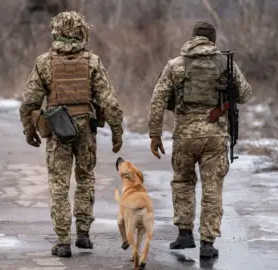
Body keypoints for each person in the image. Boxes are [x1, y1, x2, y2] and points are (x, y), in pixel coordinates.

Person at [18, 11, 124, 258]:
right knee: (86, 179)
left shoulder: (44, 62)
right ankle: (84, 234)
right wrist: (117, 133)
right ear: (82, 31)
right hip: (86, 130)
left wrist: (29, 131)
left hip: (58, 131)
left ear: (56, 31)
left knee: (59, 186)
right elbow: (110, 103)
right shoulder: (93, 62)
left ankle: (63, 241)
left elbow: (29, 103)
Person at [147, 20, 253, 259]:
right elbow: (246, 94)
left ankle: (184, 234)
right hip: (215, 136)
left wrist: (155, 134)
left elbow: (157, 101)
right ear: (212, 40)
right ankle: (207, 242)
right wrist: (228, 89)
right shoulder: (225, 64)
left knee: (183, 182)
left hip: (184, 135)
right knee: (212, 188)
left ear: (192, 38)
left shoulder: (176, 65)